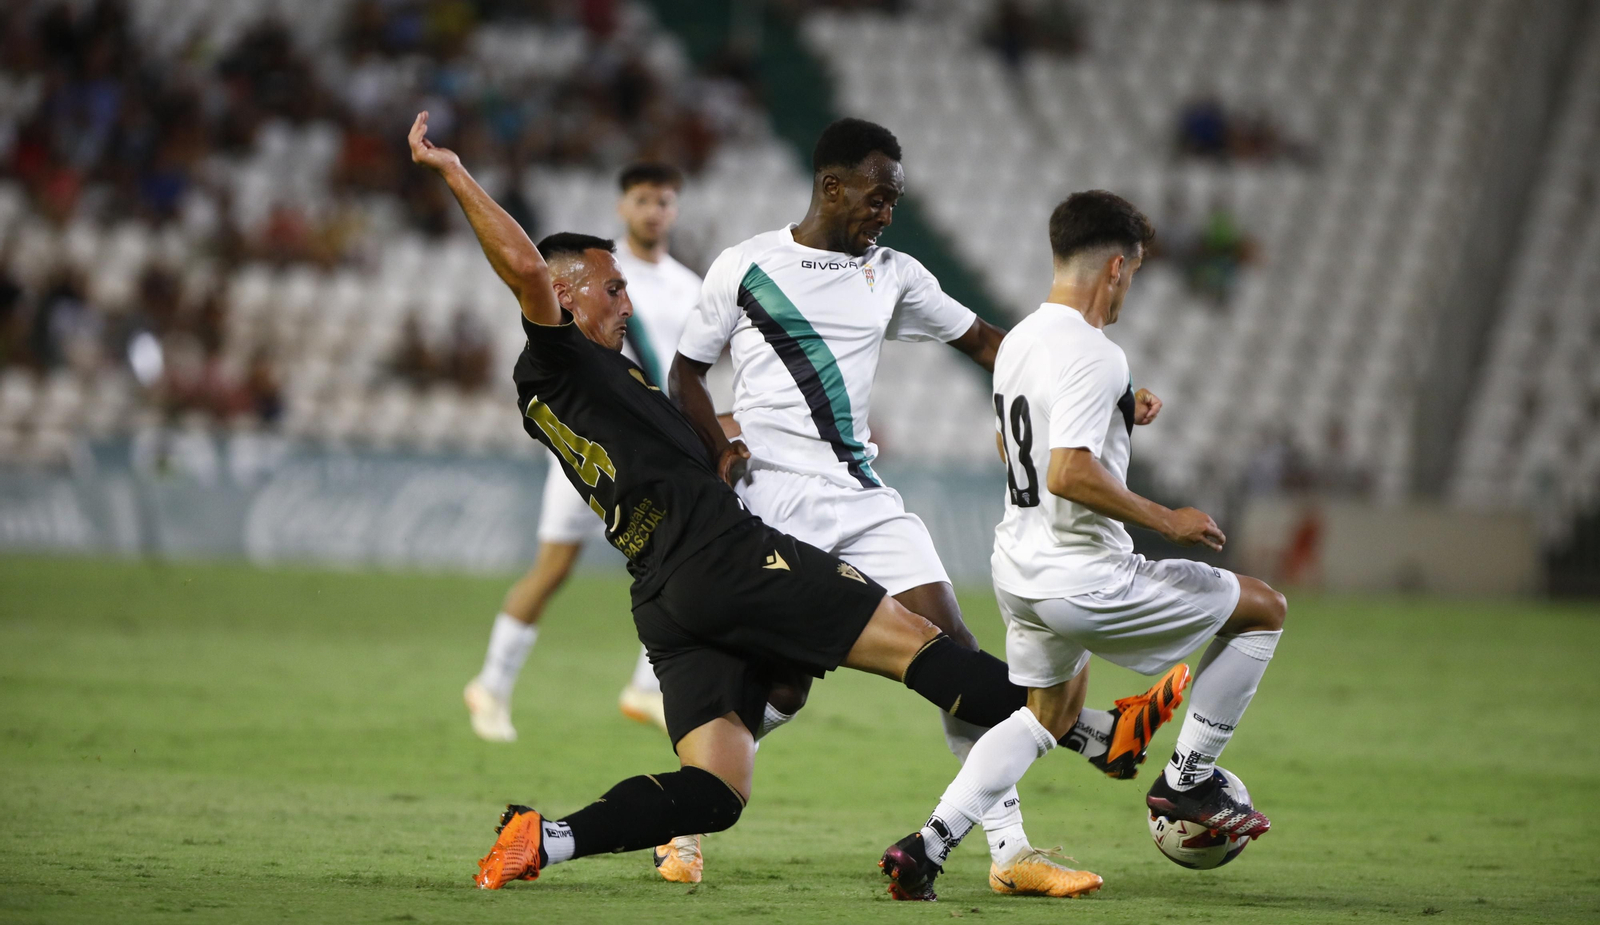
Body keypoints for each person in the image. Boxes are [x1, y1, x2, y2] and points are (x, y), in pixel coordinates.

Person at [405, 111, 1060, 892]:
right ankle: (1092, 732)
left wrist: (723, 442)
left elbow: (675, 425)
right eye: (612, 289)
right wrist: (451, 170)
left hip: (661, 590)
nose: (626, 303)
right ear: (565, 294)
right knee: (923, 647)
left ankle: (547, 839)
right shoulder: (564, 360)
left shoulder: (583, 388)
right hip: (725, 555)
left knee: (717, 788)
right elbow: (523, 267)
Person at [669, 119, 1188, 897]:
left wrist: (1106, 389)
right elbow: (684, 375)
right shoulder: (746, 267)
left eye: (897, 200)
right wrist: (719, 447)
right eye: (878, 196)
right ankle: (680, 824)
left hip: (864, 500)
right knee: (778, 689)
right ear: (832, 186)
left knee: (953, 646)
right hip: (774, 504)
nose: (887, 212)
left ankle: (1011, 853)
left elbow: (993, 346)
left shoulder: (896, 274)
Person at [879, 190, 1287, 901]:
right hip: (1087, 577)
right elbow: (1067, 471)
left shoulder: (1021, 343)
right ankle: (1187, 784)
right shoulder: (1097, 355)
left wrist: (1122, 409)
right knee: (1262, 608)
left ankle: (928, 845)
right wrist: (1167, 518)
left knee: (1046, 717)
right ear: (1119, 270)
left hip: (1021, 567)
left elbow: (1015, 441)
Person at [465, 162, 708, 748]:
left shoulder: (690, 286)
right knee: (554, 567)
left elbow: (690, 373)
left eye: (665, 201)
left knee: (683, 554)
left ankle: (646, 684)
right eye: (644, 199)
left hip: (652, 449)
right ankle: (491, 685)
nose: (655, 211)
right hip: (593, 450)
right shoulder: (591, 270)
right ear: (623, 207)